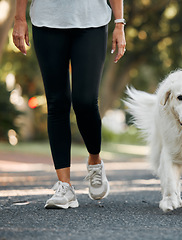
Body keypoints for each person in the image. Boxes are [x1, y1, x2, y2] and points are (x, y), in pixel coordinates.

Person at [12, 0, 126, 209]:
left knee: (85, 101)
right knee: (57, 102)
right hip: (46, 20)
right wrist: (19, 19)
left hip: (92, 19)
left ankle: (94, 161)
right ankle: (65, 187)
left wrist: (119, 23)